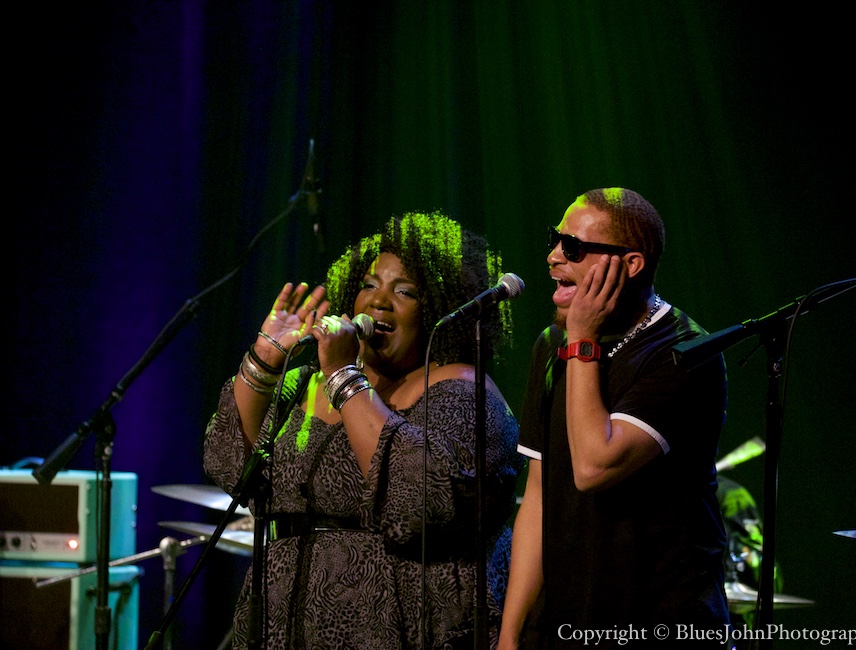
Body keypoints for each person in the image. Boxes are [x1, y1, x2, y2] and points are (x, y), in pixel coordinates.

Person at [204, 211, 521, 649]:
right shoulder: (302, 384)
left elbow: (419, 498)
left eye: (404, 291)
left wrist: (344, 377)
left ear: (438, 309)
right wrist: (265, 357)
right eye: (369, 285)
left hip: (394, 619)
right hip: (283, 612)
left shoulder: (462, 389)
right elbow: (229, 460)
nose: (378, 302)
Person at [499, 188, 729, 648]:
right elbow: (540, 494)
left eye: (574, 248)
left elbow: (593, 466)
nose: (552, 257)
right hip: (571, 621)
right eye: (556, 239)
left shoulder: (685, 354)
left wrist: (582, 340)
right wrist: (510, 633)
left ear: (631, 264)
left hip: (660, 622)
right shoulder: (550, 345)